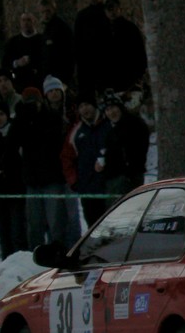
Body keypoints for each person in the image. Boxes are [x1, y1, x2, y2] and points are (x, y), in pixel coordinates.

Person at [10, 87, 69, 250]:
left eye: (34, 103)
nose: (32, 106)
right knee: (34, 224)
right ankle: (34, 256)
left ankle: (59, 253)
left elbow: (53, 141)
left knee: (56, 222)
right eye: (28, 103)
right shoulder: (21, 120)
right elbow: (12, 142)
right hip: (32, 180)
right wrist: (21, 116)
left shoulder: (51, 117)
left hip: (52, 177)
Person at [42, 75, 81, 245]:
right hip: (51, 172)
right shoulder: (42, 115)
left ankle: (75, 246)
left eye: (57, 90)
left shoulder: (73, 112)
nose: (54, 94)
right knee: (55, 217)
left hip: (70, 170)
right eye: (50, 91)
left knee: (73, 215)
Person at [0, 100, 28, 258]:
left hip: (16, 190)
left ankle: (22, 264)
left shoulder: (15, 132)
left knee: (18, 232)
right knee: (3, 234)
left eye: (1, 114)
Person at [97, 91, 150, 204]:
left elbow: (139, 151)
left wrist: (130, 171)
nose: (111, 112)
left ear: (120, 107)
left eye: (113, 108)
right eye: (107, 110)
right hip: (112, 180)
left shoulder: (134, 124)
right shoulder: (109, 130)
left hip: (128, 179)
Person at [65, 93, 110, 227]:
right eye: (81, 106)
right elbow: (66, 157)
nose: (85, 109)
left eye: (88, 105)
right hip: (88, 189)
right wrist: (74, 181)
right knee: (93, 228)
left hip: (109, 186)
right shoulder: (76, 131)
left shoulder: (108, 124)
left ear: (94, 106)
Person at [100, 0, 148, 96]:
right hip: (109, 78)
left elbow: (139, 52)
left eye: (115, 9)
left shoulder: (130, 28)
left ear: (120, 10)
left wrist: (138, 73)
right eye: (109, 10)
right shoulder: (102, 30)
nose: (112, 12)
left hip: (129, 76)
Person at [74, 0, 109, 102]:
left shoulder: (108, 13)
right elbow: (77, 42)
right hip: (87, 65)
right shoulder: (82, 16)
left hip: (106, 63)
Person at [2, 12, 45, 92]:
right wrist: (17, 63)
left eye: (28, 20)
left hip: (39, 83)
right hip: (19, 84)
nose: (26, 23)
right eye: (23, 20)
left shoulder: (42, 40)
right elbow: (5, 62)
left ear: (34, 22)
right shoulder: (13, 42)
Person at [38, 0, 75, 87]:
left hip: (61, 76)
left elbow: (69, 53)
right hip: (48, 76)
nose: (46, 15)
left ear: (54, 10)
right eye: (43, 12)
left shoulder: (61, 28)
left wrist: (66, 78)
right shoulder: (46, 29)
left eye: (48, 11)